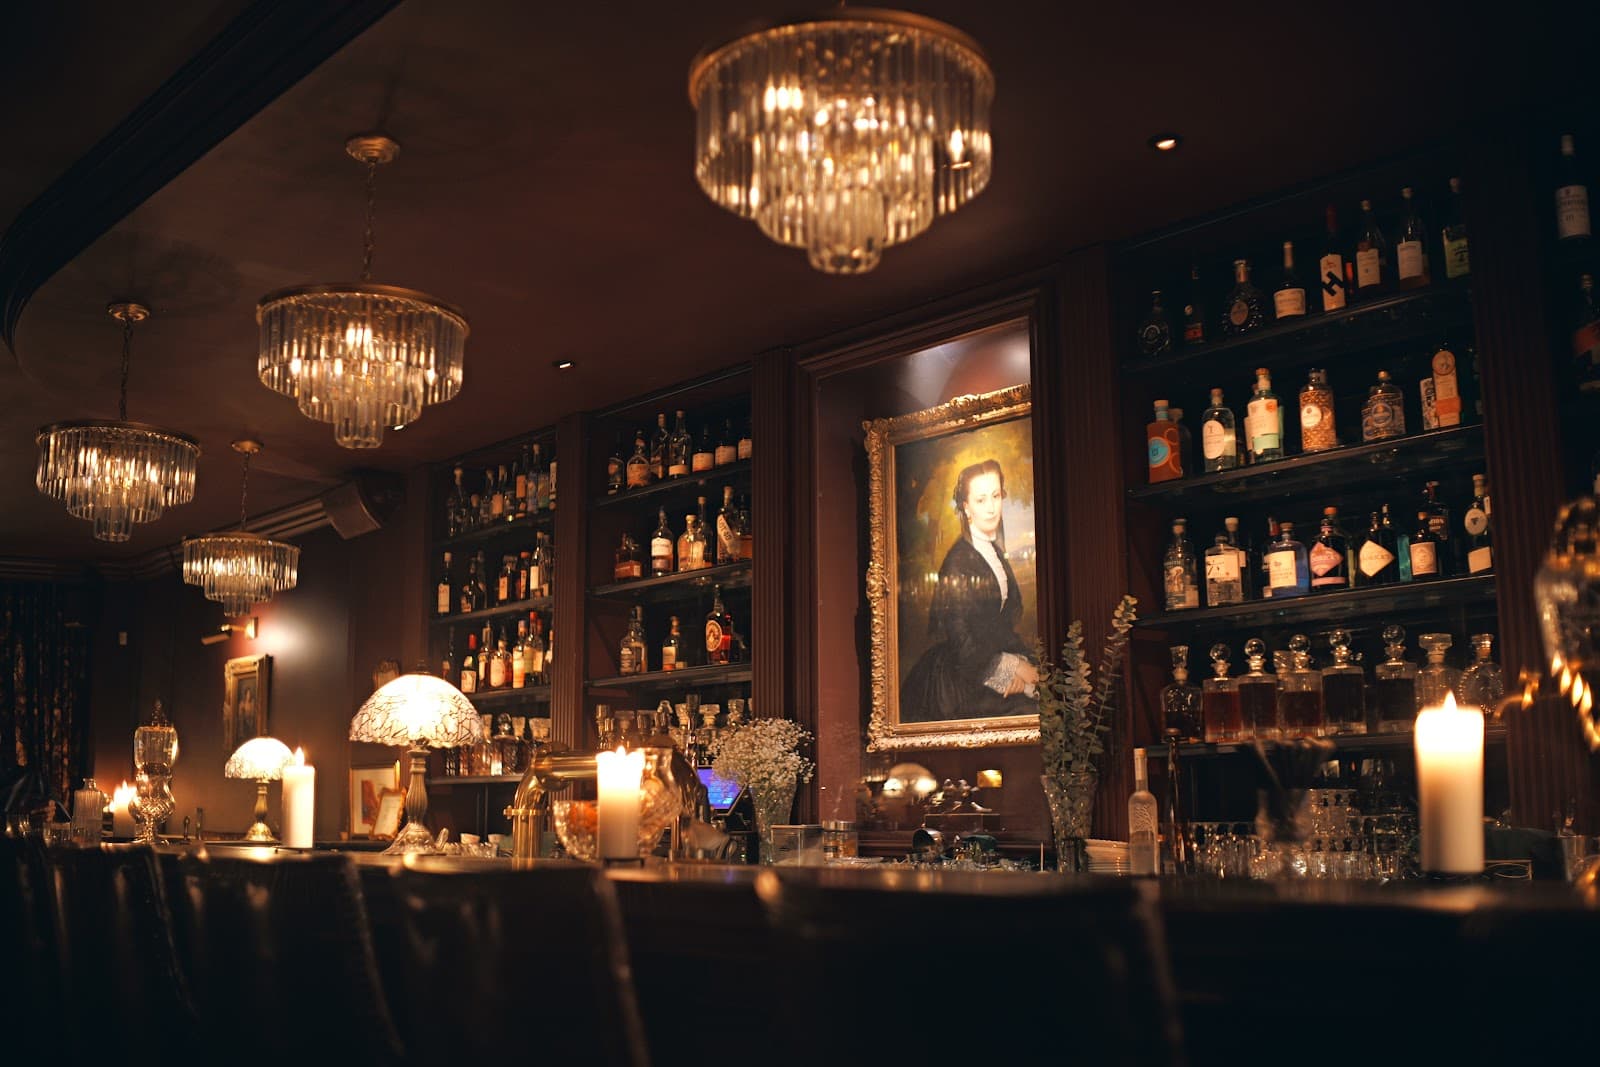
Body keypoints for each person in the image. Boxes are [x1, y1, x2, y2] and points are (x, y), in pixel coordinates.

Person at [901, 458, 1038, 722]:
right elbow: (961, 643)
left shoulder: (994, 552)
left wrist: (1019, 663)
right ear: (966, 507)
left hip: (990, 660)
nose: (991, 508)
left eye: (996, 496)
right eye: (981, 500)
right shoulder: (957, 563)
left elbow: (998, 625)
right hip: (960, 678)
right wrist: (1009, 668)